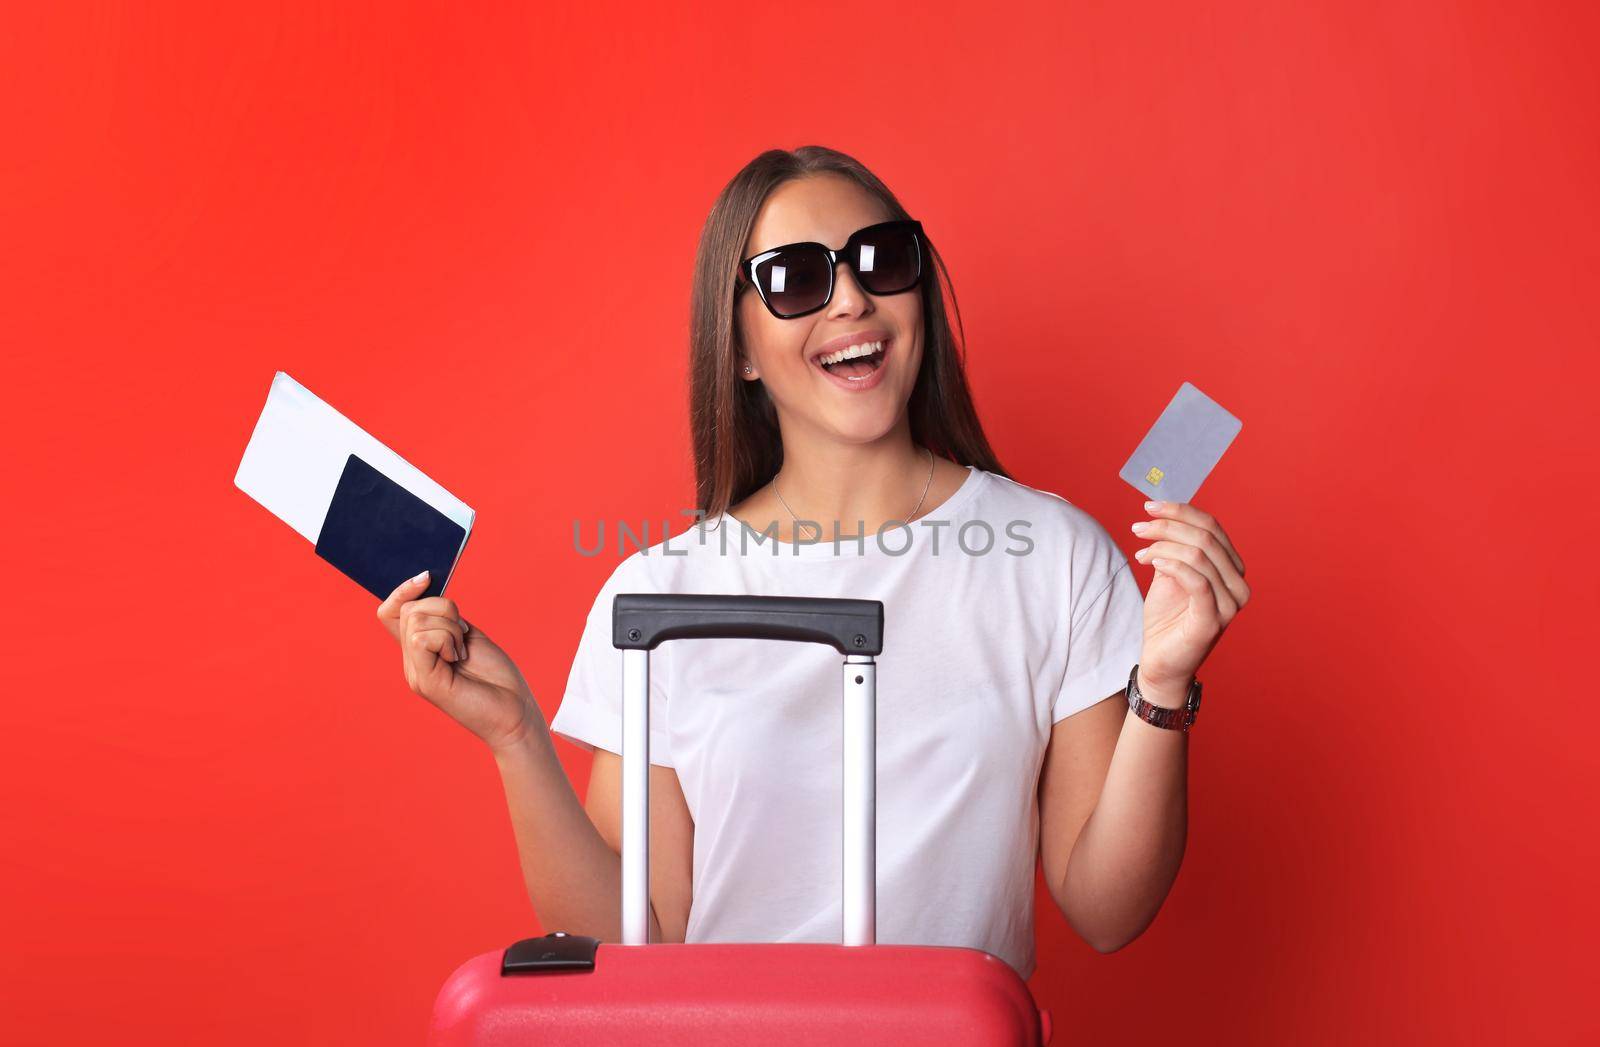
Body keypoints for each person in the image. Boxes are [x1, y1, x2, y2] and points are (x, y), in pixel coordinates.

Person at [374, 146, 1251, 980]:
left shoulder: (1054, 556)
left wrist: (1164, 685)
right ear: (742, 349)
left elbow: (1108, 908)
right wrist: (518, 736)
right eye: (796, 279)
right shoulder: (660, 592)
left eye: (883, 259)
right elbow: (631, 939)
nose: (851, 301)